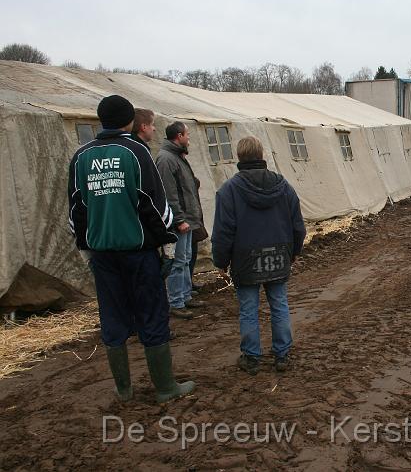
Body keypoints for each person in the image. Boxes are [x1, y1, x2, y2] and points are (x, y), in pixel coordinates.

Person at [67, 94, 195, 403]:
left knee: (112, 316)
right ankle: (165, 388)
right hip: (137, 252)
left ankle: (123, 389)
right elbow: (153, 203)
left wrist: (86, 247)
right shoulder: (136, 151)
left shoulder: (81, 156)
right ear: (129, 122)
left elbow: (75, 210)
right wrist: (167, 242)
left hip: (102, 254)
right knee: (151, 314)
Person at [212, 136, 306, 374]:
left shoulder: (229, 190)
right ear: (261, 155)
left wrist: (220, 262)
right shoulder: (284, 187)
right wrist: (293, 252)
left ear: (239, 157)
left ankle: (252, 358)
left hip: (245, 259)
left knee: (248, 309)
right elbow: (298, 225)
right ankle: (282, 355)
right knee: (279, 305)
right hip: (278, 255)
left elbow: (223, 231)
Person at [155, 121, 205, 319]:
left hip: (188, 219)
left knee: (184, 260)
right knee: (177, 262)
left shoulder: (177, 157)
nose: (189, 139)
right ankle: (176, 301)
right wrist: (179, 219)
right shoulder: (167, 159)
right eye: (187, 135)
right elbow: (169, 193)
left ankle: (185, 296)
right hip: (180, 221)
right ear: (178, 136)